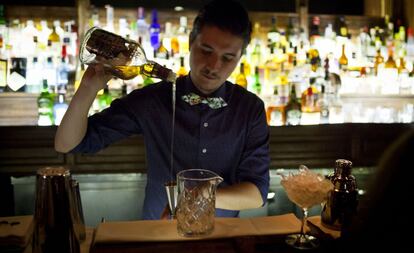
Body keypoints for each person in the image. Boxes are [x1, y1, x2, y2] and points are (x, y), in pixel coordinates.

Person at [55, 0, 270, 220]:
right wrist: (89, 86)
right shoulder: (153, 99)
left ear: (240, 58)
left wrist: (200, 194)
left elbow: (257, 193)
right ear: (190, 42)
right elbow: (67, 143)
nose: (214, 66)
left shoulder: (249, 108)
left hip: (221, 237)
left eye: (227, 58)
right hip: (158, 232)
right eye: (206, 50)